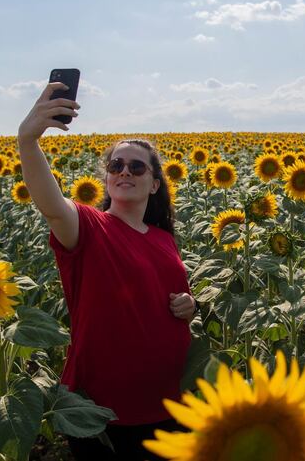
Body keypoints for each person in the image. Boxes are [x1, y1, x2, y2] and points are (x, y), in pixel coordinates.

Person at [17, 81, 196, 460]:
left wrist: (187, 306)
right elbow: (50, 204)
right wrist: (28, 141)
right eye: (116, 165)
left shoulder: (163, 238)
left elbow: (169, 298)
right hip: (103, 411)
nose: (125, 171)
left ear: (154, 183)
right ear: (108, 178)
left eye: (136, 166)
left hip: (166, 402)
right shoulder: (88, 227)